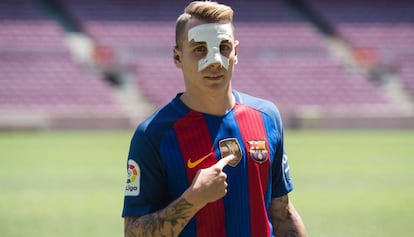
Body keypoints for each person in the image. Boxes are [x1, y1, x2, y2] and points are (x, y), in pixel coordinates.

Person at [122, 1, 307, 236]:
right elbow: (132, 233)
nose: (215, 61)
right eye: (200, 49)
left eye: (224, 47)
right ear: (177, 57)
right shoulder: (153, 135)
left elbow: (283, 215)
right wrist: (193, 199)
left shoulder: (267, 118)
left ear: (236, 53)